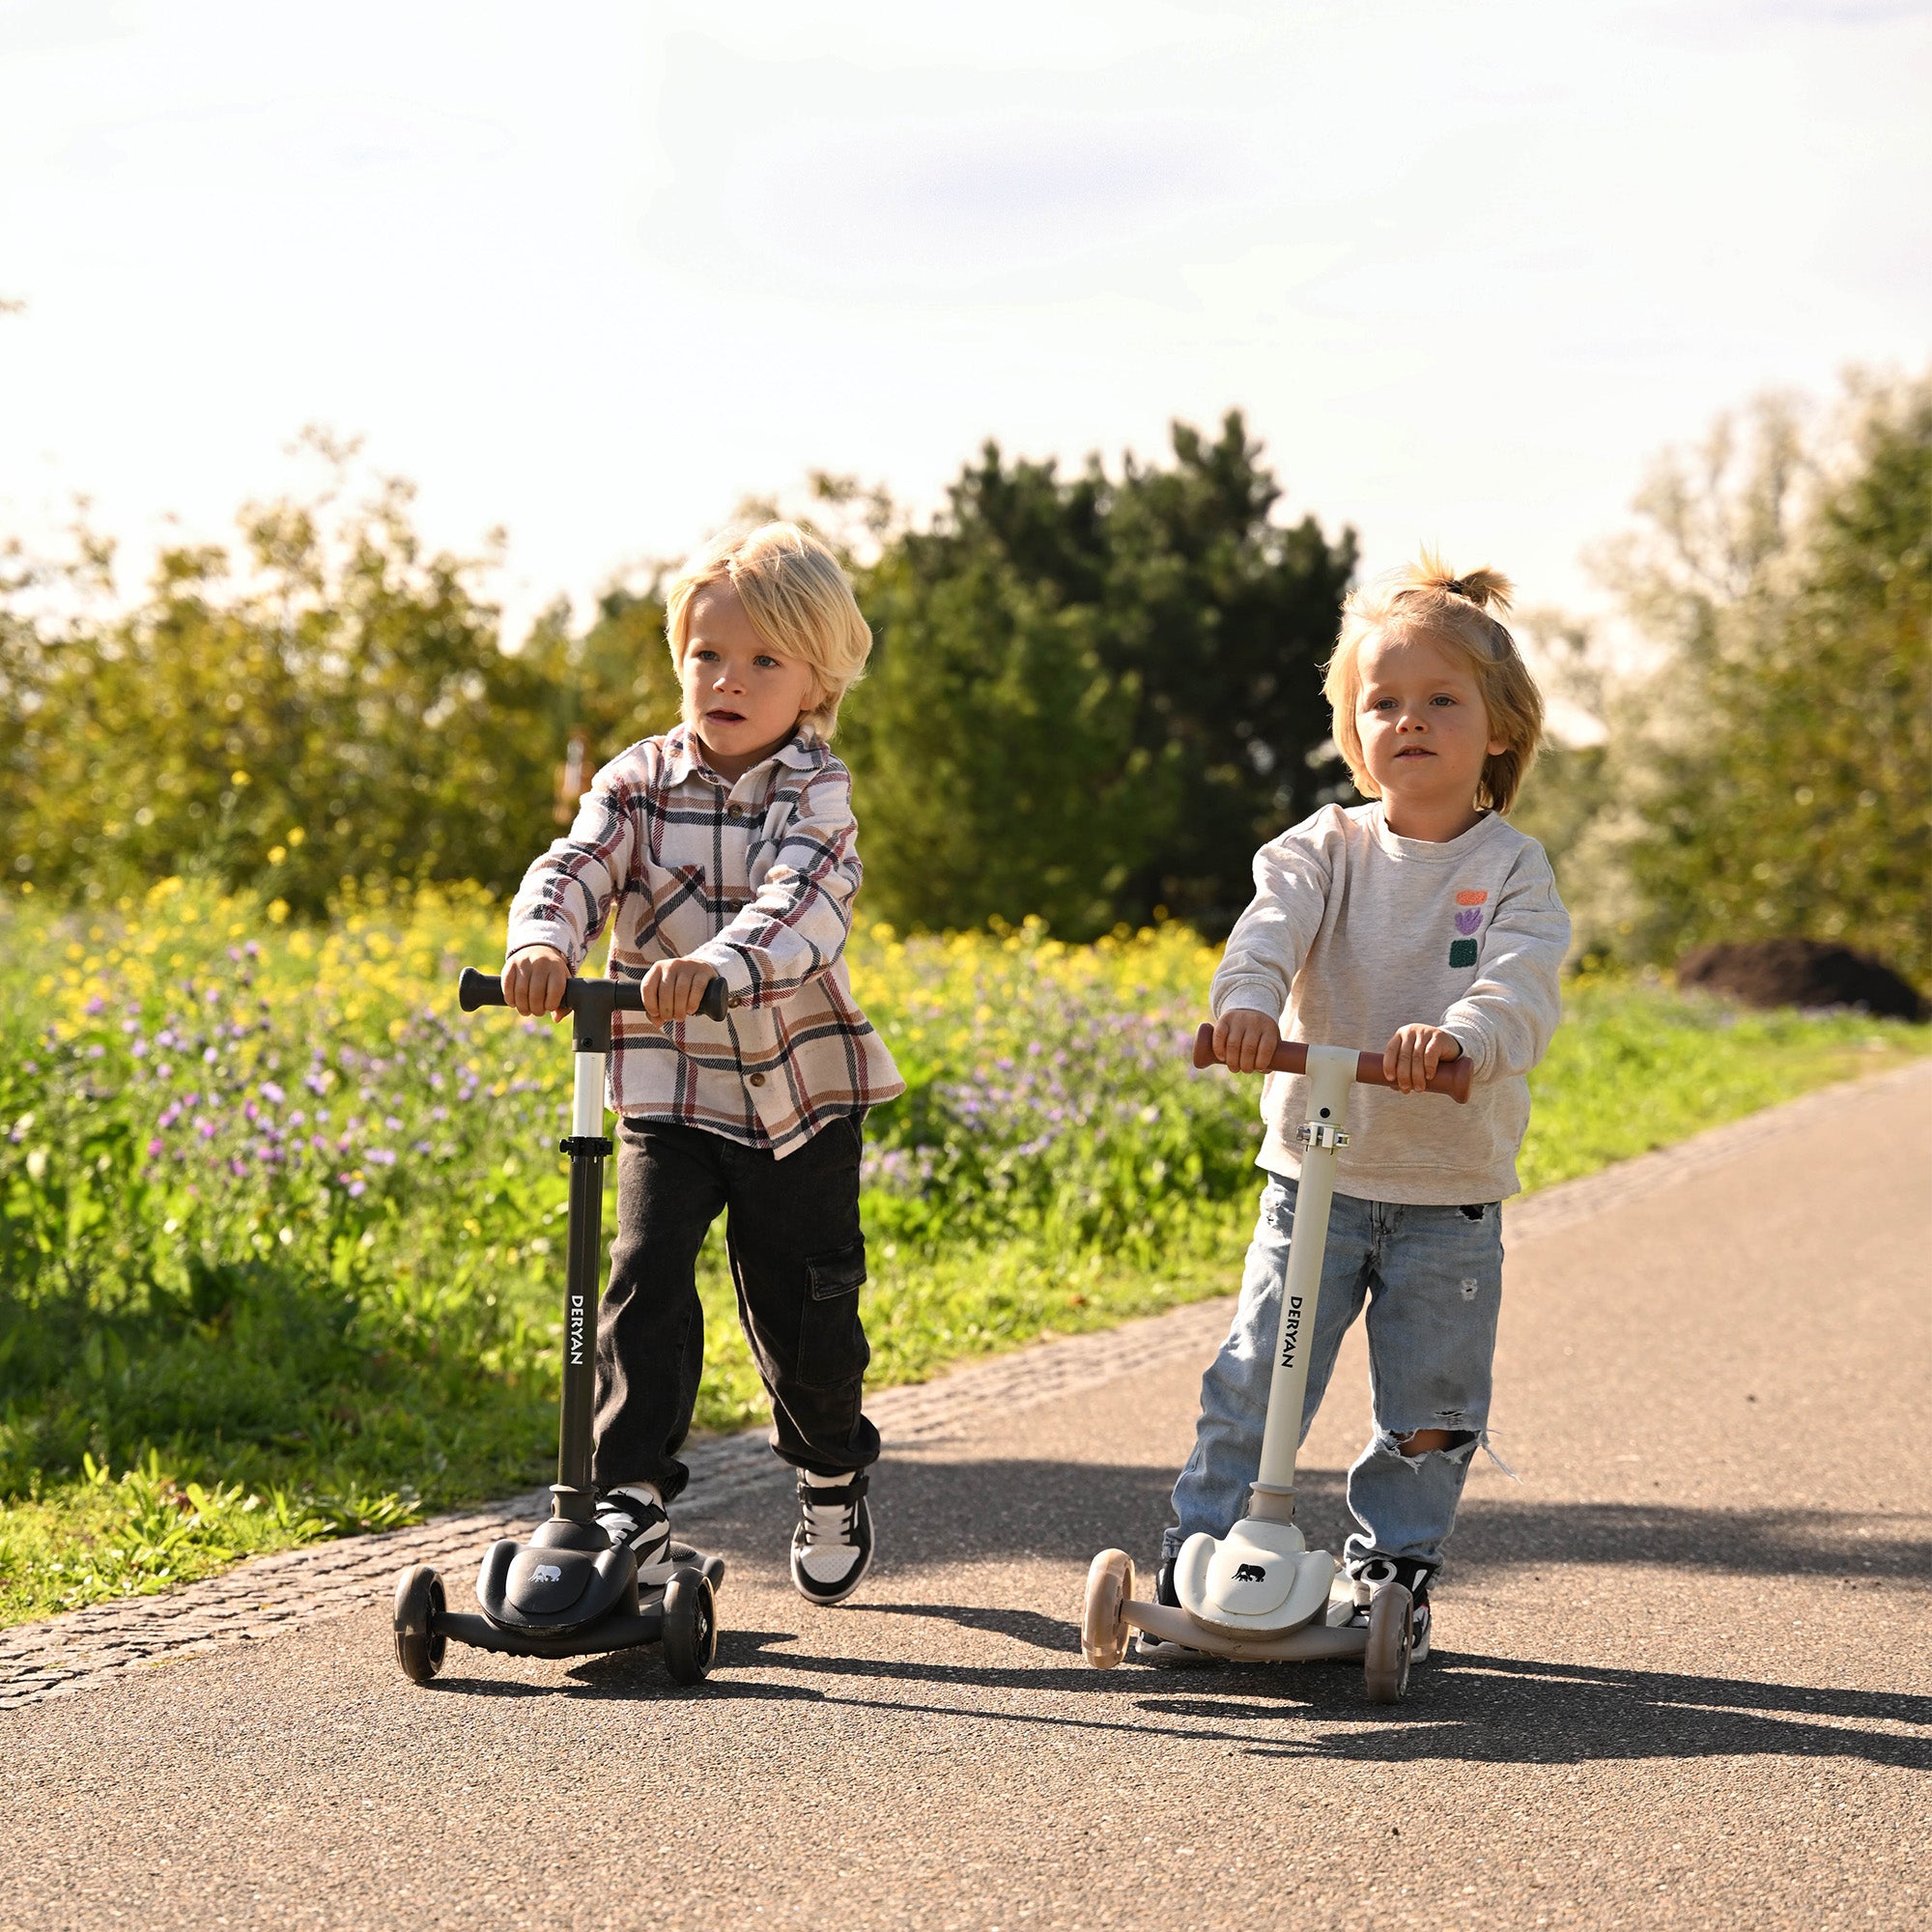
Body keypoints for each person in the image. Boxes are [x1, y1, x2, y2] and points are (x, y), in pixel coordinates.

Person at [1142, 554, 1570, 1663]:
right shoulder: (1320, 849)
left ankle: (1393, 1567)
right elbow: (1266, 932)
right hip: (1311, 1179)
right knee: (1252, 1372)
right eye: (1381, 701)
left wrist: (1464, 1037)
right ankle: (1200, 1551)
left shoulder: (1510, 869)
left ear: (1498, 730)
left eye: (1440, 700)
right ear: (1350, 725)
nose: (1408, 721)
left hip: (1445, 1193)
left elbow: (1517, 984)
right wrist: (1243, 1006)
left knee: (1427, 1405)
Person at [500, 524, 902, 1606]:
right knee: (640, 1276)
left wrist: (719, 962)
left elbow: (801, 905)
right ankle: (626, 1486)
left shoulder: (814, 791)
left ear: (816, 679)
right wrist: (544, 940)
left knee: (802, 1310)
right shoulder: (637, 778)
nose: (727, 680)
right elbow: (576, 860)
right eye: (706, 655)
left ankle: (828, 1465)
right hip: (665, 1086)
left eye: (763, 661)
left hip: (794, 1096)